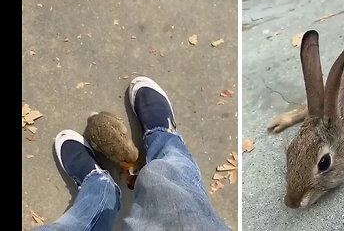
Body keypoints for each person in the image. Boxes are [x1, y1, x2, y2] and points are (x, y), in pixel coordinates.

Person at [35, 76, 230, 231]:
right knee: (169, 182)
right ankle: (163, 136)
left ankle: (98, 185)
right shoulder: (131, 159)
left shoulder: (130, 159)